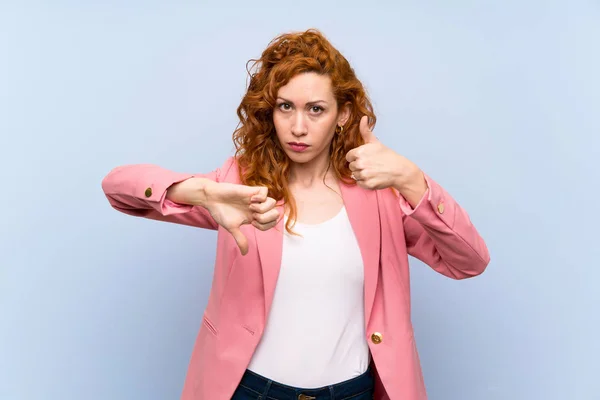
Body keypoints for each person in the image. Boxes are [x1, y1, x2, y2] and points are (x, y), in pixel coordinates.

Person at [101, 28, 490, 400]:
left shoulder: (381, 196)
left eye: (316, 110)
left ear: (342, 114)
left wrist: (412, 180)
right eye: (285, 107)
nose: (298, 127)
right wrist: (201, 192)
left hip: (352, 393)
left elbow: (469, 261)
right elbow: (119, 188)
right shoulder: (239, 186)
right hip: (251, 391)